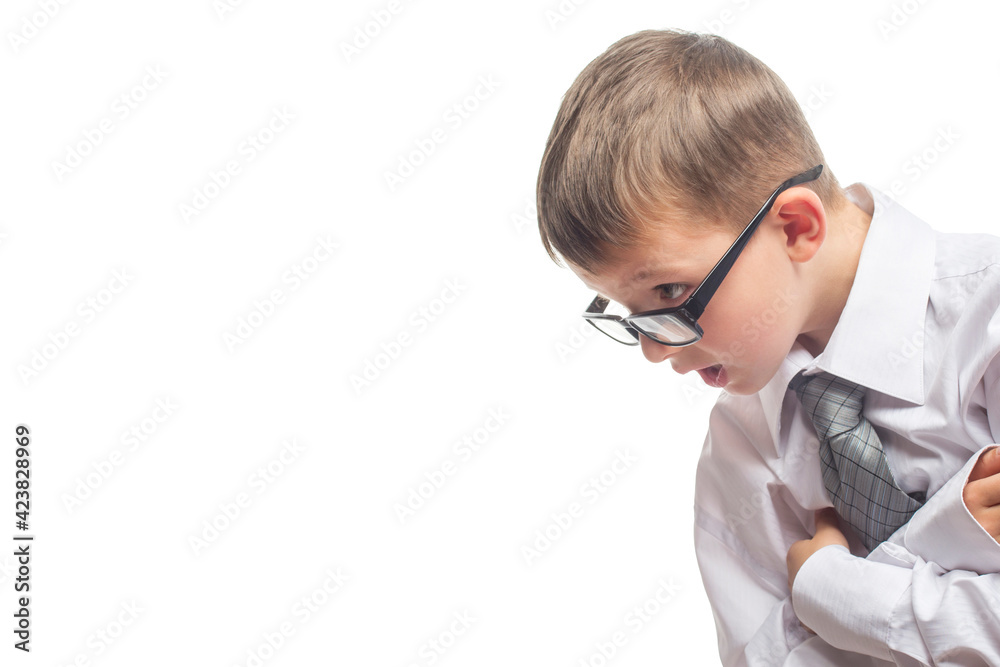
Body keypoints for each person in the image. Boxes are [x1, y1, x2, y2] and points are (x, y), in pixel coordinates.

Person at [535, 28, 1000, 666]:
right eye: (630, 313)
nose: (654, 350)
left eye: (670, 290)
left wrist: (827, 589)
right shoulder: (740, 450)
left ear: (797, 226)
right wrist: (945, 541)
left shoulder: (988, 320)